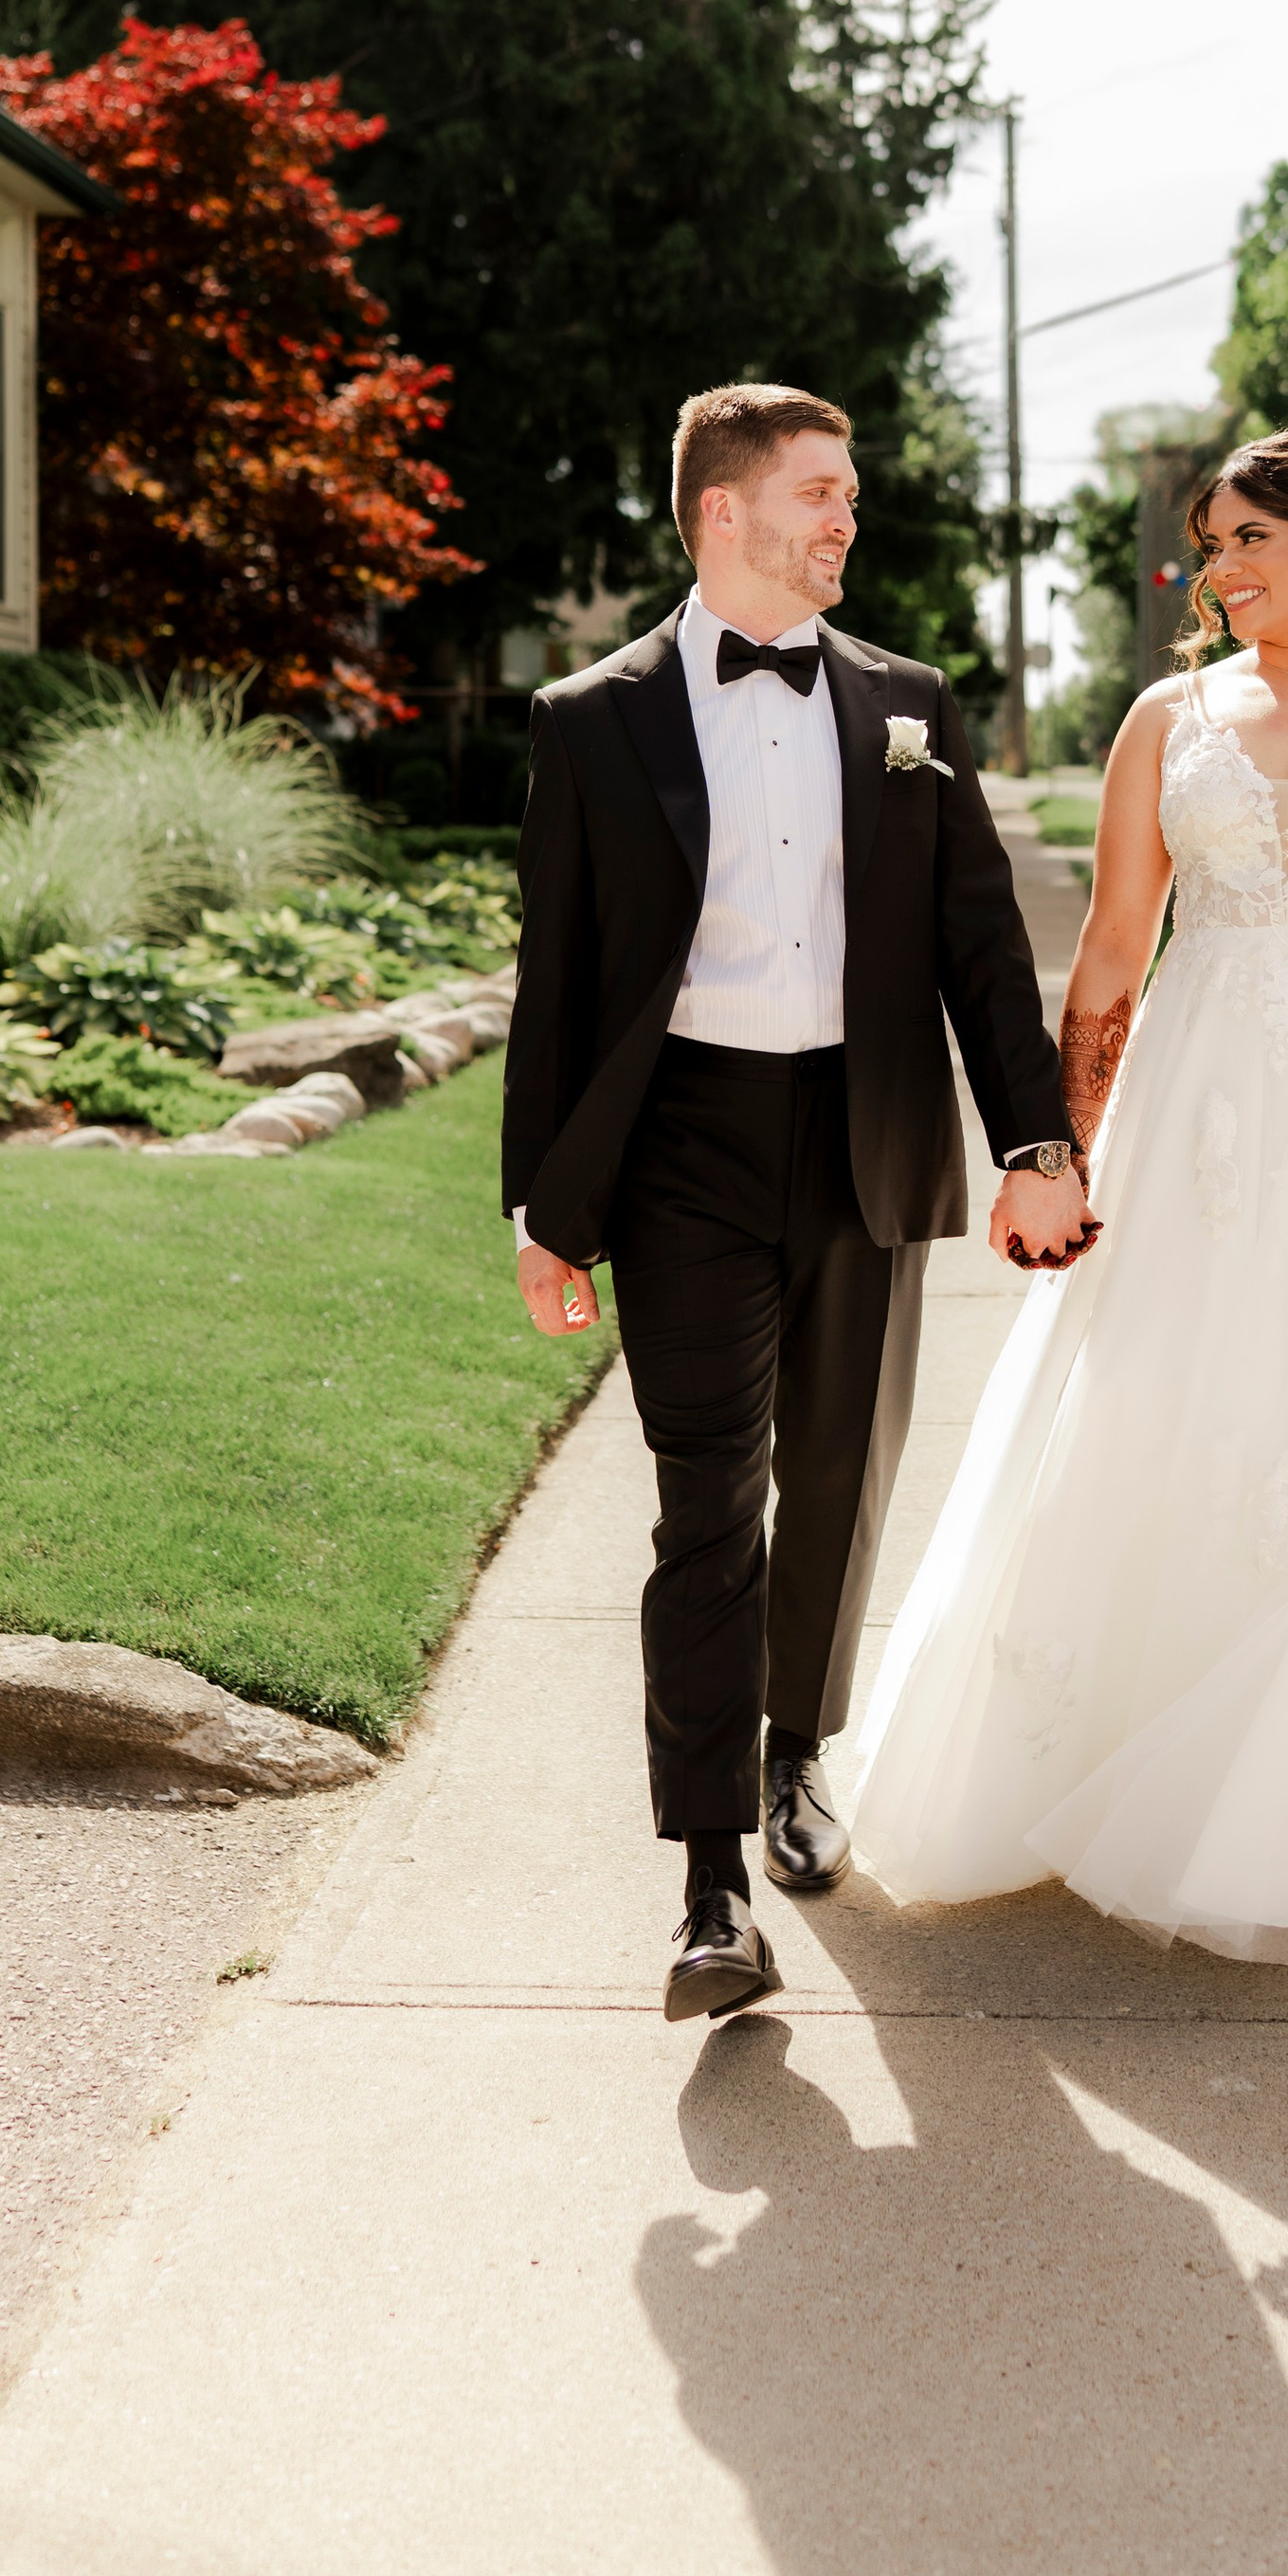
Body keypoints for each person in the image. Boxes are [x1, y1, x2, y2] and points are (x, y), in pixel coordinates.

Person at [848, 425, 1288, 1985]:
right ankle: (1090, 1762)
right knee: (1168, 1396)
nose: (1215, 571)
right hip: (1206, 1095)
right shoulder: (1168, 719)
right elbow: (1110, 950)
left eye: (1246, 543)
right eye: (1210, 544)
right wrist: (1061, 1149)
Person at [502, 383, 1093, 2024]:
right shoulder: (590, 719)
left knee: (835, 1477)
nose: (847, 520)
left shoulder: (909, 705)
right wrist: (545, 1212)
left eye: (849, 494)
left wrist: (1037, 1143)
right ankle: (705, 1892)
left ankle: (794, 1761)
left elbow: (980, 944)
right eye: (821, 493)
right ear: (725, 515)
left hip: (863, 1135)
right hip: (682, 1146)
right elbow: (555, 986)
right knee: (711, 1507)